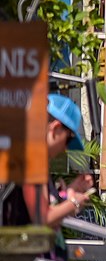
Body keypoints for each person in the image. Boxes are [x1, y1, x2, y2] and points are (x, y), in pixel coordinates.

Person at [2, 94, 94, 232]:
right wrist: (74, 203)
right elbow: (43, 218)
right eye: (68, 140)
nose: (65, 149)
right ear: (56, 129)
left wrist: (69, 192)